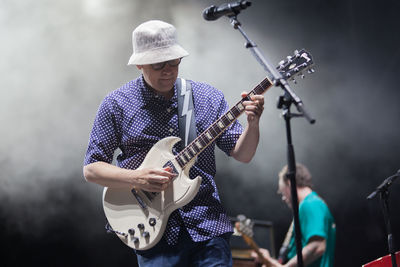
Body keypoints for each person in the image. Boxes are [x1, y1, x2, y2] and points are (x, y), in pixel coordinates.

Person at [83, 20, 264, 267]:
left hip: (206, 224)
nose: (168, 70)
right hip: (154, 234)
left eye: (174, 61)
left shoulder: (207, 97)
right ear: (139, 63)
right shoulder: (117, 104)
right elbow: (92, 169)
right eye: (158, 64)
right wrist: (137, 178)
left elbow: (242, 154)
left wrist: (253, 124)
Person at [252, 163, 336, 267]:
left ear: (289, 182)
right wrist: (269, 260)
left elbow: (317, 246)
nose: (283, 198)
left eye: (281, 192)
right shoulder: (313, 204)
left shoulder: (310, 204)